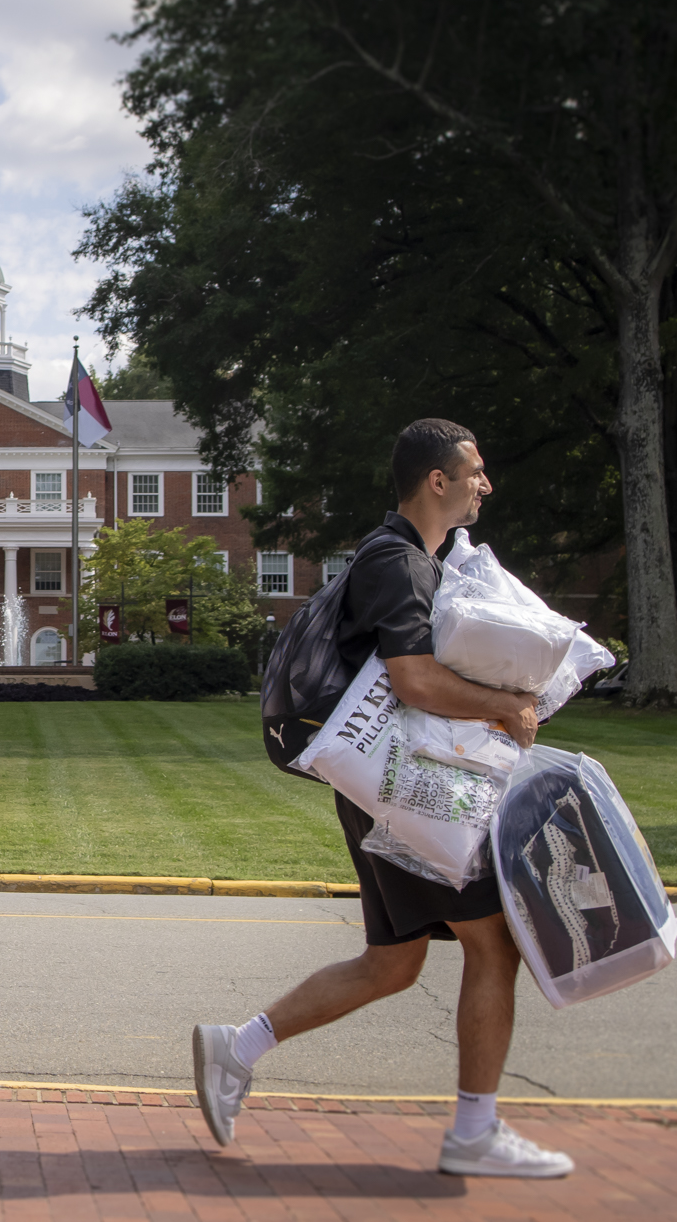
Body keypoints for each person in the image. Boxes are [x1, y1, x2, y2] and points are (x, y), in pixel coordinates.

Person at [192, 418, 574, 1179]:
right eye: (475, 471)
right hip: (407, 794)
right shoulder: (397, 563)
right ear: (438, 481)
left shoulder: (413, 559)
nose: (484, 484)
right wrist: (507, 704)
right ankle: (474, 1132)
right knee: (492, 944)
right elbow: (413, 681)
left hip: (385, 788)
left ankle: (235, 1048)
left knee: (393, 963)